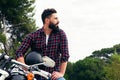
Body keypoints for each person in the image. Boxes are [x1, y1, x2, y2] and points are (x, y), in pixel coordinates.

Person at [15, 8, 70, 80]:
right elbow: (19, 52)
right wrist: (26, 69)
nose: (58, 21)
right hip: (35, 75)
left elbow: (65, 55)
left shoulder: (61, 34)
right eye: (55, 19)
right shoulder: (33, 36)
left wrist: (61, 73)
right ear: (47, 20)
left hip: (53, 75)